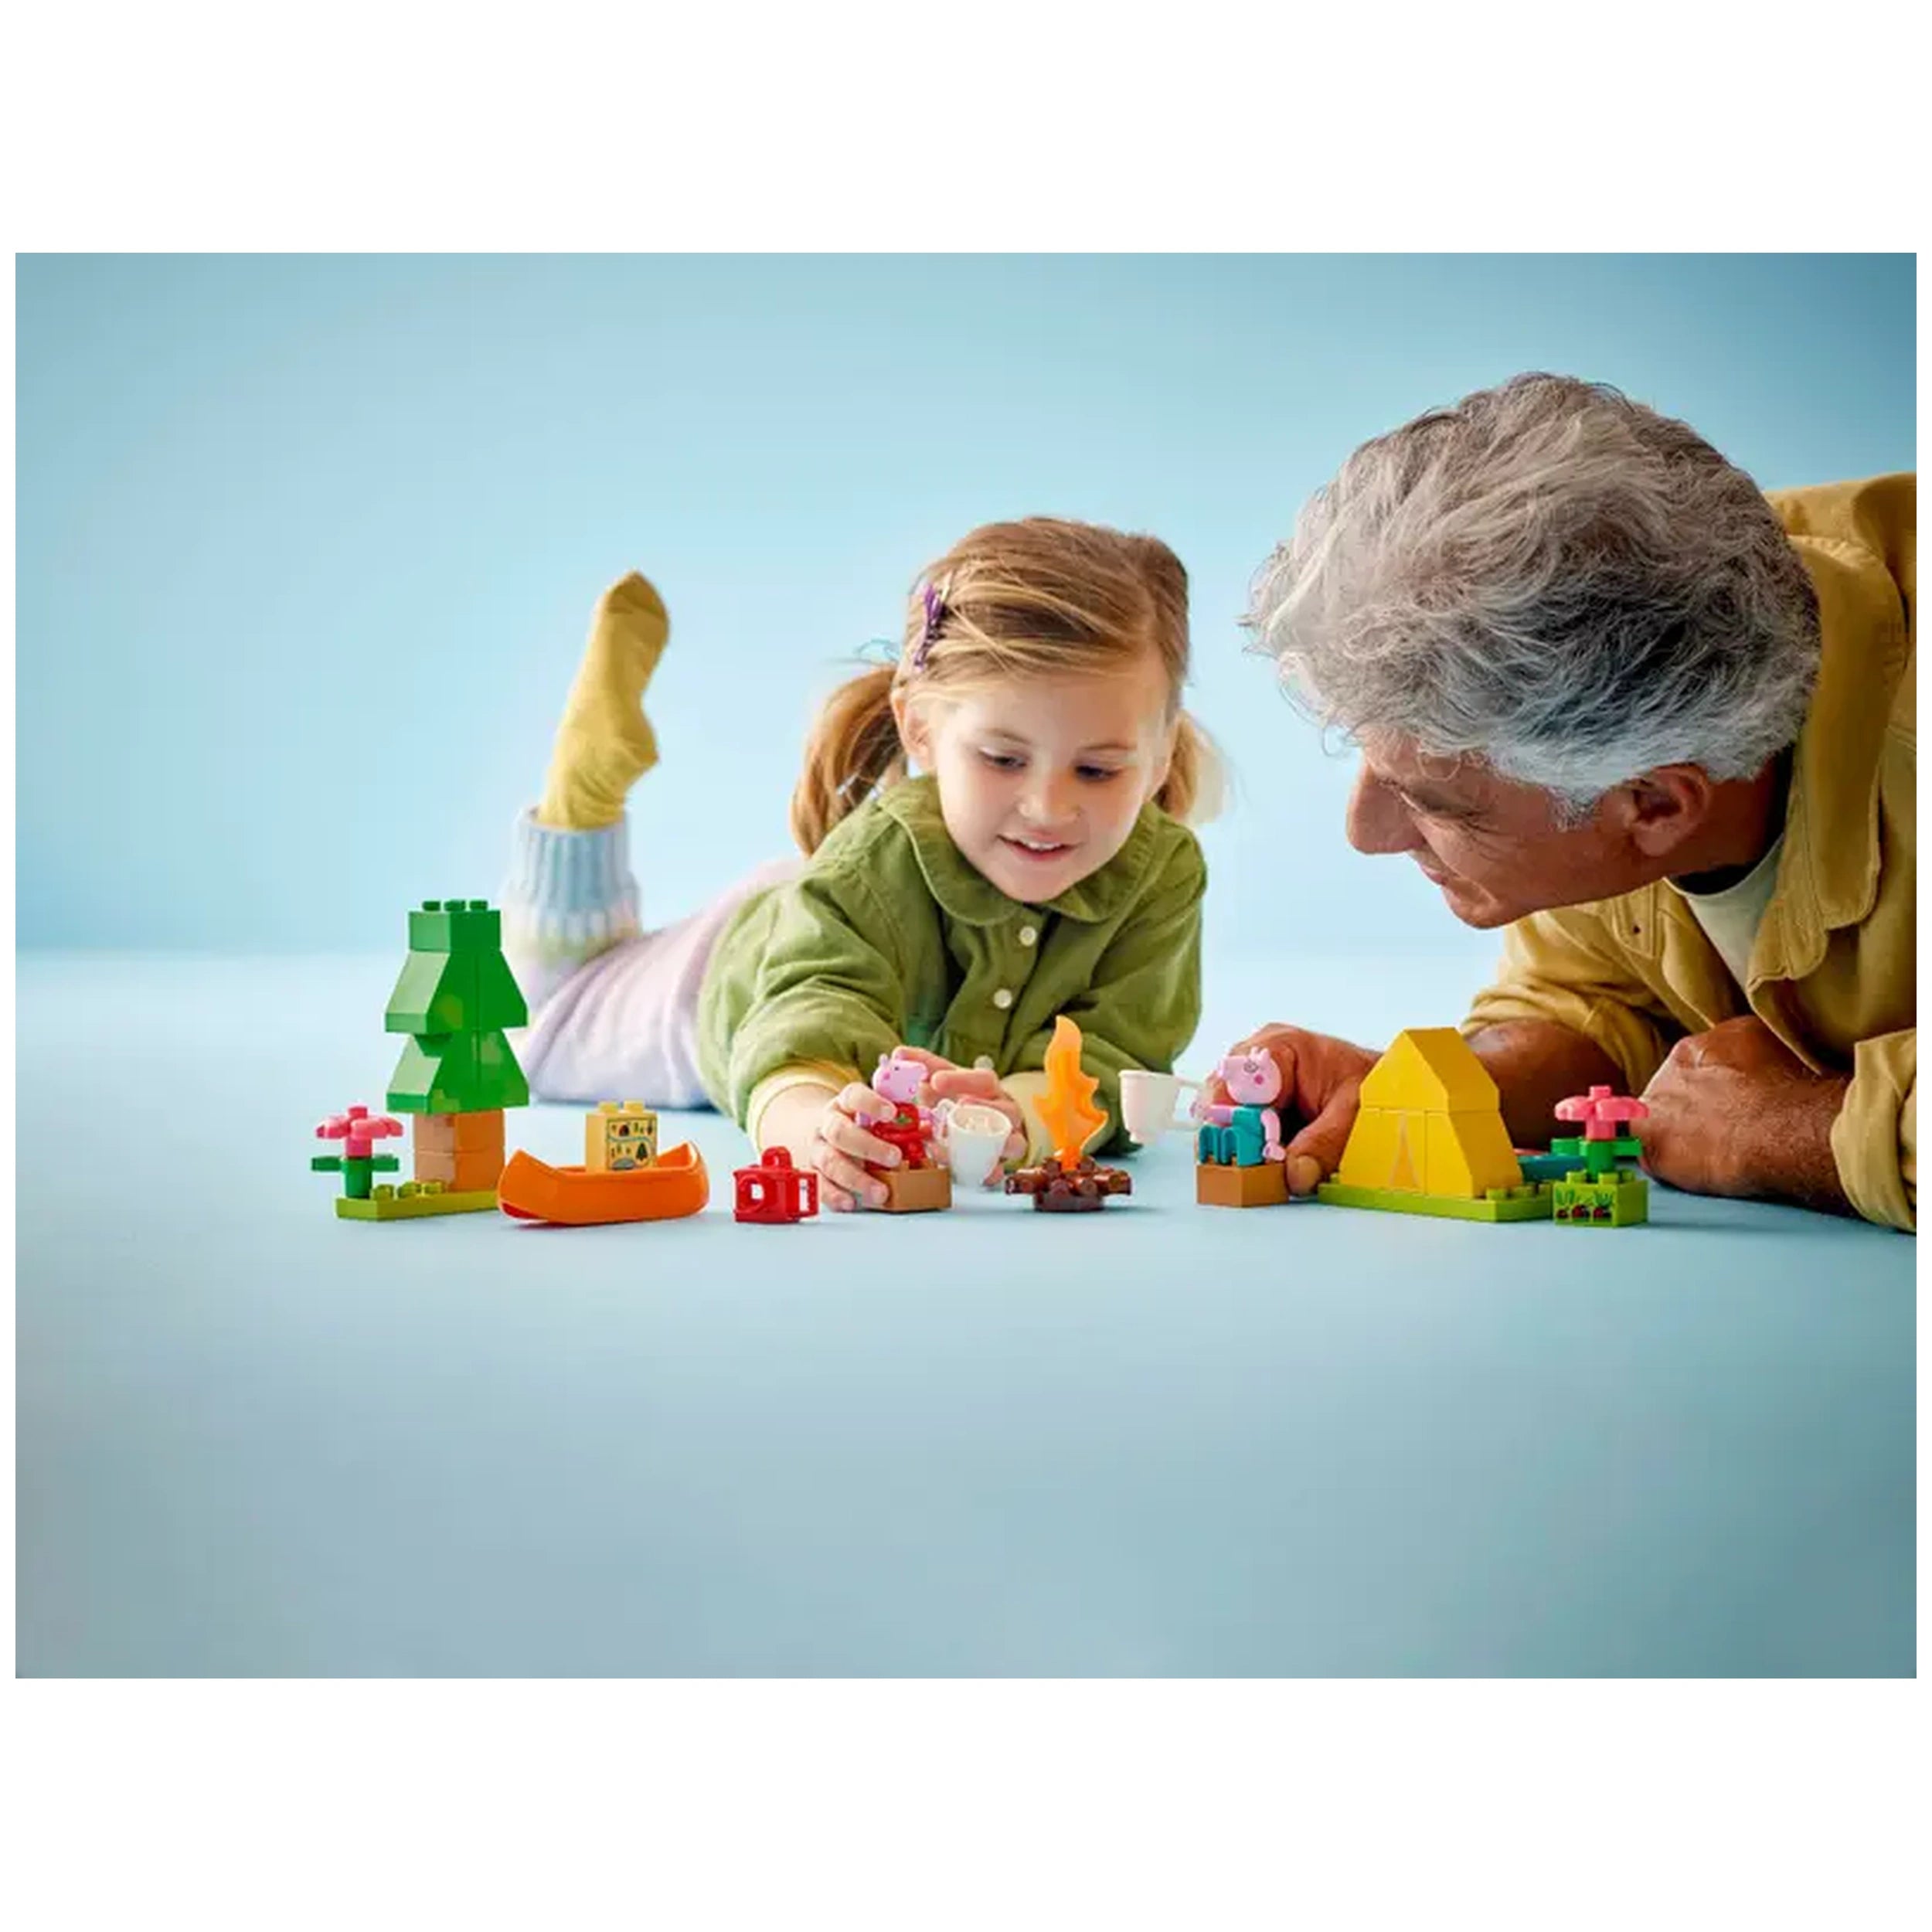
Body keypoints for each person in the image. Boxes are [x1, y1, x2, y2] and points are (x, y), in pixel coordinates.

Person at [1216, 373, 1914, 1230]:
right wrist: (1427, 1095)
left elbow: (1748, 1111)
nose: (1364, 833)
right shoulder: (1620, 646)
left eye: (1435, 803)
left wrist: (1801, 1129)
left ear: (1654, 805)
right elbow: (1595, 1006)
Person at [502, 517, 1218, 1211]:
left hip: (830, 906)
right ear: (921, 732)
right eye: (1003, 760)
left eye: (1097, 771)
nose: (1048, 807)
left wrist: (1020, 1120)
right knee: (536, 1028)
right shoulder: (875, 859)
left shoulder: (1163, 876)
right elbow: (805, 1024)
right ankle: (580, 803)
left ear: (1158, 756)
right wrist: (818, 1135)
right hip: (727, 973)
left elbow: (1117, 1052)